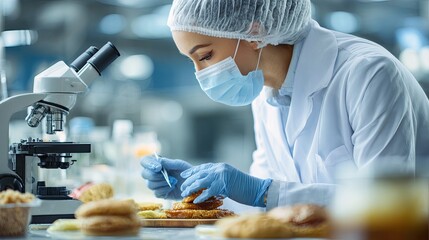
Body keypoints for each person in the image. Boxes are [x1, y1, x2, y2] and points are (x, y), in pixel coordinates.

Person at [140, 0, 429, 209]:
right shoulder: (265, 92)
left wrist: (263, 192)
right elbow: (264, 200)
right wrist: (203, 189)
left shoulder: (368, 74)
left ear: (253, 34)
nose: (200, 75)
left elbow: (387, 204)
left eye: (205, 57)